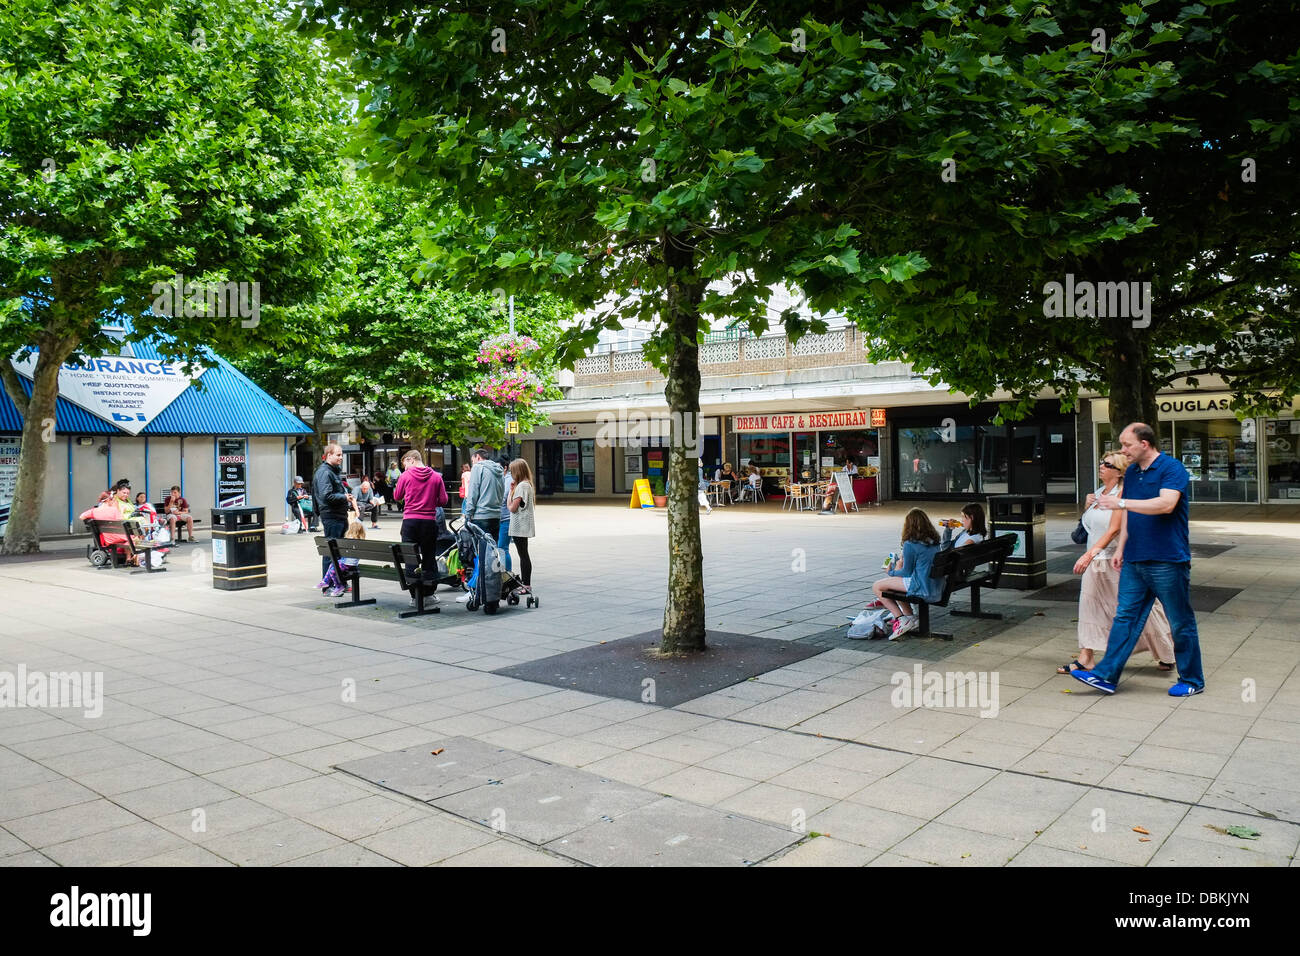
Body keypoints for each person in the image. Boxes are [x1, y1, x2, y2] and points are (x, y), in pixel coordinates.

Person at [1073, 422, 1204, 697]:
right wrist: (1121, 549)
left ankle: (1192, 679)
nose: (1123, 450)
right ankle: (1106, 676)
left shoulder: (1172, 469)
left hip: (1167, 559)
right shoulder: (1132, 473)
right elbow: (1130, 517)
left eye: (1127, 445)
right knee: (1126, 618)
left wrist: (1121, 503)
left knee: (1180, 621)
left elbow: (1166, 504)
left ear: (1144, 444)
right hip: (1134, 559)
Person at [1059, 452, 1175, 675]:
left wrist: (1088, 555)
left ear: (1120, 471)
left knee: (1143, 609)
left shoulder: (1123, 495)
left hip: (1116, 560)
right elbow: (1091, 526)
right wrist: (1086, 506)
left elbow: (1113, 530)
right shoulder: (1098, 493)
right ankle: (1086, 657)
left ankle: (1166, 651)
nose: (1101, 466)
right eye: (1101, 462)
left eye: (1107, 464)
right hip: (1096, 560)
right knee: (1088, 605)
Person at [865, 508, 943, 639]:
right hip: (934, 585)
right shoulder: (934, 541)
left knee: (877, 586)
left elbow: (906, 572)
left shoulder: (910, 544)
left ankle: (901, 618)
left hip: (921, 586)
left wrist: (891, 571)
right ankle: (909, 617)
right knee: (893, 584)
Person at [393, 449, 449, 596]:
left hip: (410, 522)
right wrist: (430, 501)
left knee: (411, 557)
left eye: (405, 464)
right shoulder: (436, 477)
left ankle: (415, 595)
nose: (405, 468)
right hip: (429, 523)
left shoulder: (405, 476)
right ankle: (429, 594)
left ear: (412, 459)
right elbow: (443, 501)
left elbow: (397, 495)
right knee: (429, 557)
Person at [459, 447, 505, 602]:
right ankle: (491, 590)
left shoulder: (478, 468)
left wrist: (468, 514)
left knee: (479, 556)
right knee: (493, 555)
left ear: (477, 457)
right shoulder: (498, 470)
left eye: (472, 461)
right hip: (495, 516)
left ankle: (477, 589)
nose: (472, 464)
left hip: (481, 516)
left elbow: (473, 492)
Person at [313, 443, 355, 580]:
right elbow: (326, 496)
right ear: (329, 455)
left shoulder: (332, 471)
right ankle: (329, 585)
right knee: (331, 552)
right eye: (338, 454)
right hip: (332, 516)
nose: (341, 457)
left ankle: (338, 582)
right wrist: (344, 497)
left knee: (338, 551)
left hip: (338, 516)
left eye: (341, 454)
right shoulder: (325, 472)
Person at [507, 458, 535, 593]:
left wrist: (510, 492)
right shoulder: (527, 484)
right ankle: (526, 584)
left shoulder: (522, 486)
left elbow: (512, 508)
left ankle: (526, 584)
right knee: (524, 554)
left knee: (523, 555)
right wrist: (512, 489)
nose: (511, 474)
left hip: (520, 526)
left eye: (512, 471)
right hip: (524, 525)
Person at [318, 519, 366, 597]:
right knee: (333, 566)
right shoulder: (360, 541)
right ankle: (327, 582)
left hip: (348, 564)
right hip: (351, 564)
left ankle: (337, 585)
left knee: (333, 569)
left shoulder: (347, 540)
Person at [496, 455, 514, 572]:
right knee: (500, 548)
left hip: (506, 519)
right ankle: (504, 573)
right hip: (502, 518)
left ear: (505, 468)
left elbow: (502, 499)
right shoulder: (502, 479)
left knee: (503, 548)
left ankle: (507, 574)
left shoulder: (508, 480)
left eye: (498, 467)